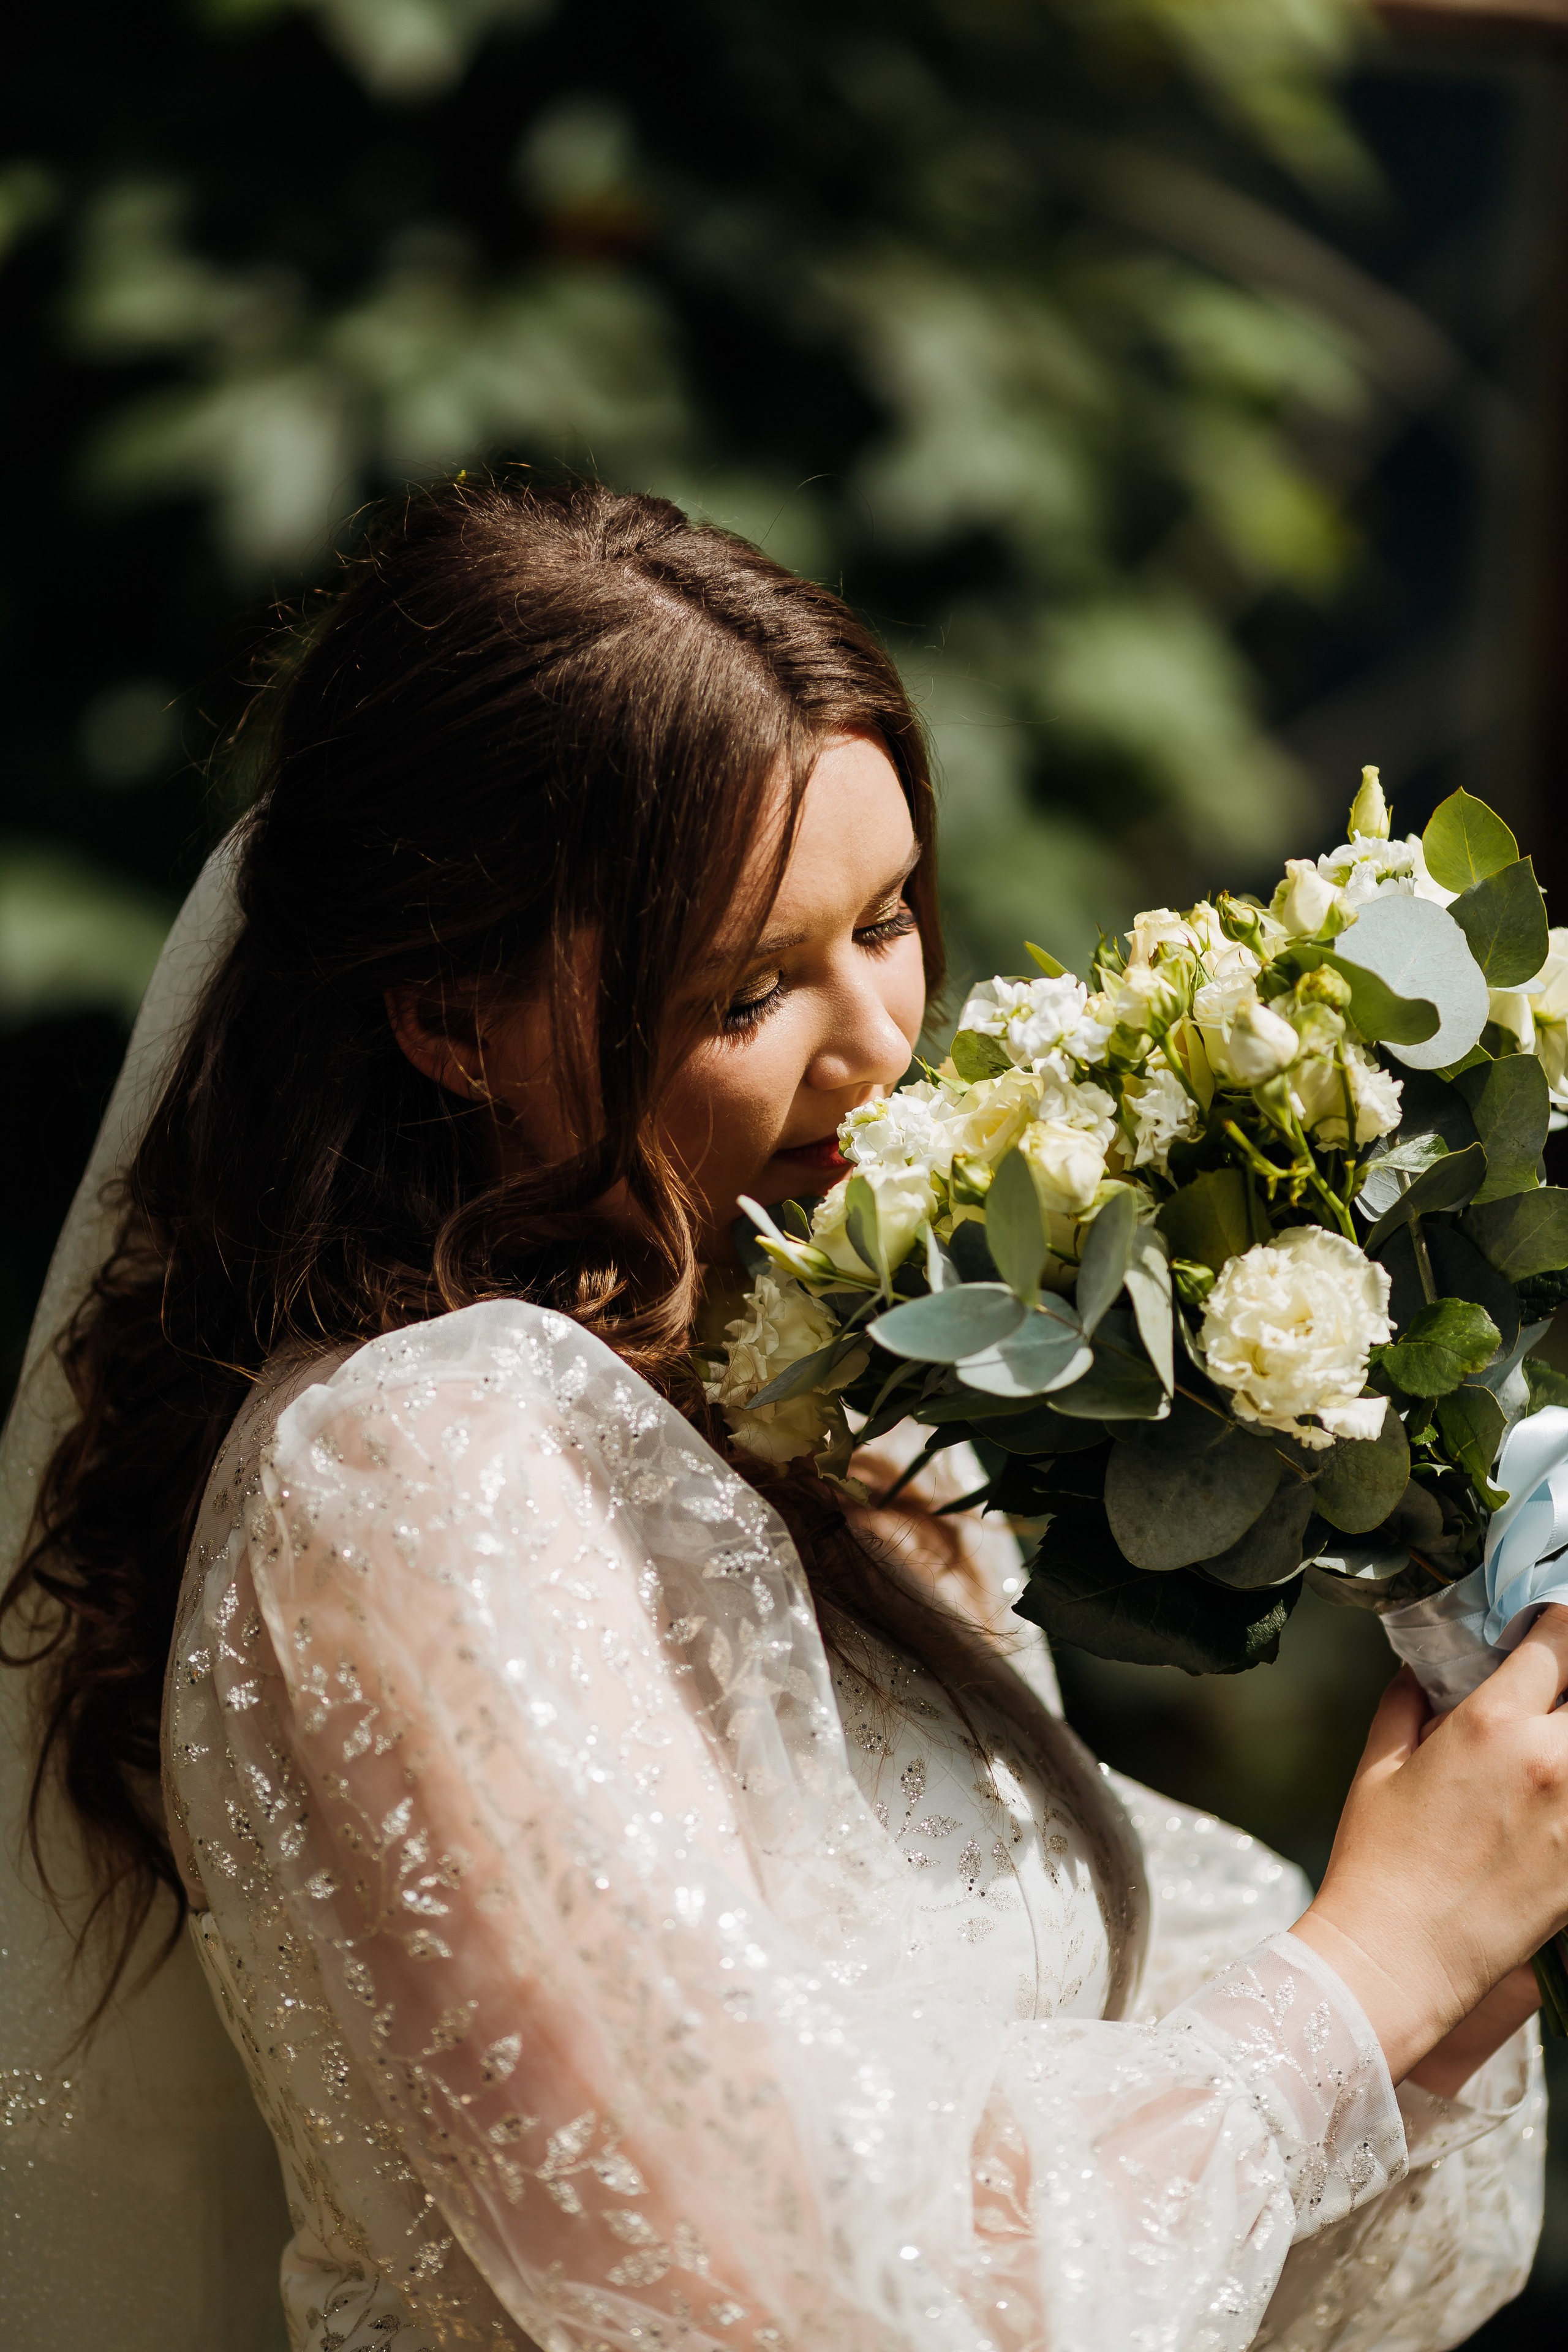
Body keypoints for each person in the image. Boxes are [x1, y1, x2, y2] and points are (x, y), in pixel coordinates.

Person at [0, 477, 1559, 2352]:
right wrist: (1371, 1967)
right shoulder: (427, 1458)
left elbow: (1225, 2237)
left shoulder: (860, 1427)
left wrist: (1477, 1762)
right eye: (751, 987)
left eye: (890, 918)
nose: (882, 1039)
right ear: (451, 1021)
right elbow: (771, 2298)